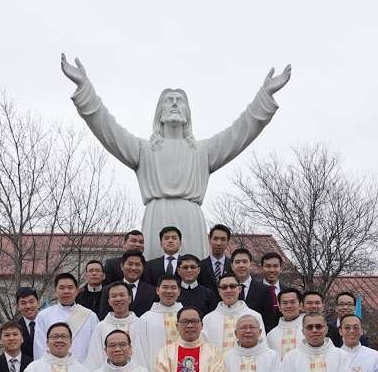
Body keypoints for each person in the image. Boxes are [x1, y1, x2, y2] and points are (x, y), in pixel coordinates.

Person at [62, 55, 291, 260]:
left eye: (179, 100)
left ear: (187, 112)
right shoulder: (144, 150)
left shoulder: (202, 151)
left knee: (193, 272)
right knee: (155, 273)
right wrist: (85, 88)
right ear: (159, 113)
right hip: (157, 214)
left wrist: (265, 95)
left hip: (190, 216)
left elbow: (241, 130)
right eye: (168, 100)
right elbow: (106, 127)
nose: (173, 103)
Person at [34, 273, 100, 363]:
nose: (66, 291)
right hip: (52, 370)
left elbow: (96, 348)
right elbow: (40, 348)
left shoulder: (90, 316)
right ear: (55, 291)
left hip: (83, 371)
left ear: (77, 291)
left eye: (70, 287)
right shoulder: (44, 316)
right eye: (61, 288)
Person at [130, 274, 182, 370]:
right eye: (165, 287)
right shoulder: (146, 319)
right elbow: (140, 351)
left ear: (179, 291)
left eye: (173, 288)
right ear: (157, 290)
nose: (169, 291)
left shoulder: (187, 316)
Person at [202, 274, 265, 351]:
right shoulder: (208, 319)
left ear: (239, 289)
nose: (228, 290)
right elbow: (203, 348)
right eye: (224, 287)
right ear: (219, 291)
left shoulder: (254, 316)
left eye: (232, 286)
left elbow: (262, 347)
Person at [85, 282, 139, 371]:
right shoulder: (101, 327)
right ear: (109, 301)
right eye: (114, 296)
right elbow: (94, 358)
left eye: (122, 295)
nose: (118, 299)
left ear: (130, 299)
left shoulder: (140, 324)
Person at [99, 250, 158, 318]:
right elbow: (103, 316)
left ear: (143, 268)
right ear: (122, 266)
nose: (133, 268)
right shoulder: (108, 289)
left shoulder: (152, 291)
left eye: (137, 265)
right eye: (130, 264)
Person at [230, 248, 276, 323]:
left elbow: (269, 321)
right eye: (237, 262)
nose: (241, 265)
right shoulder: (226, 289)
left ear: (251, 265)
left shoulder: (265, 290)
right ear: (232, 266)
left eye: (245, 262)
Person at [266, 288, 304, 360]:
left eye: (292, 302)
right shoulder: (271, 334)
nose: (289, 306)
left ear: (300, 305)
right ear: (279, 307)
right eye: (285, 303)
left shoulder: (310, 330)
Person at [259, 252, 290, 333]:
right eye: (268, 266)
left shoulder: (289, 292)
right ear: (262, 268)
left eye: (275, 266)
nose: (272, 270)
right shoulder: (254, 290)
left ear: (281, 268)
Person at [199, 224, 232, 291]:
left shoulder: (233, 266)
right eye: (215, 239)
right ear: (210, 240)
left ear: (228, 242)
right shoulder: (200, 266)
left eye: (223, 239)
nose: (218, 243)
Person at [16, 287, 40, 365]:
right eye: (23, 303)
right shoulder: (15, 328)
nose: (28, 306)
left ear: (38, 303)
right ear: (18, 307)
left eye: (31, 302)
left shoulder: (49, 323)